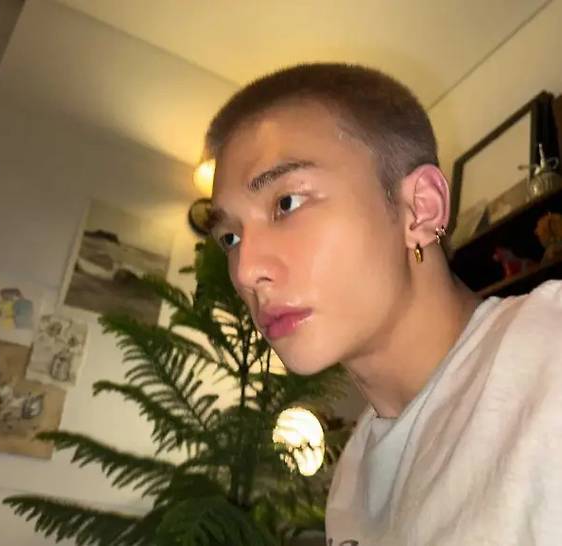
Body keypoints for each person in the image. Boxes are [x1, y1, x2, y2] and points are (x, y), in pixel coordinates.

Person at [205, 63, 562, 545]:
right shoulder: (349, 483)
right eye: (230, 237)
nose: (246, 270)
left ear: (421, 209)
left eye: (286, 203)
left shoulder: (551, 361)